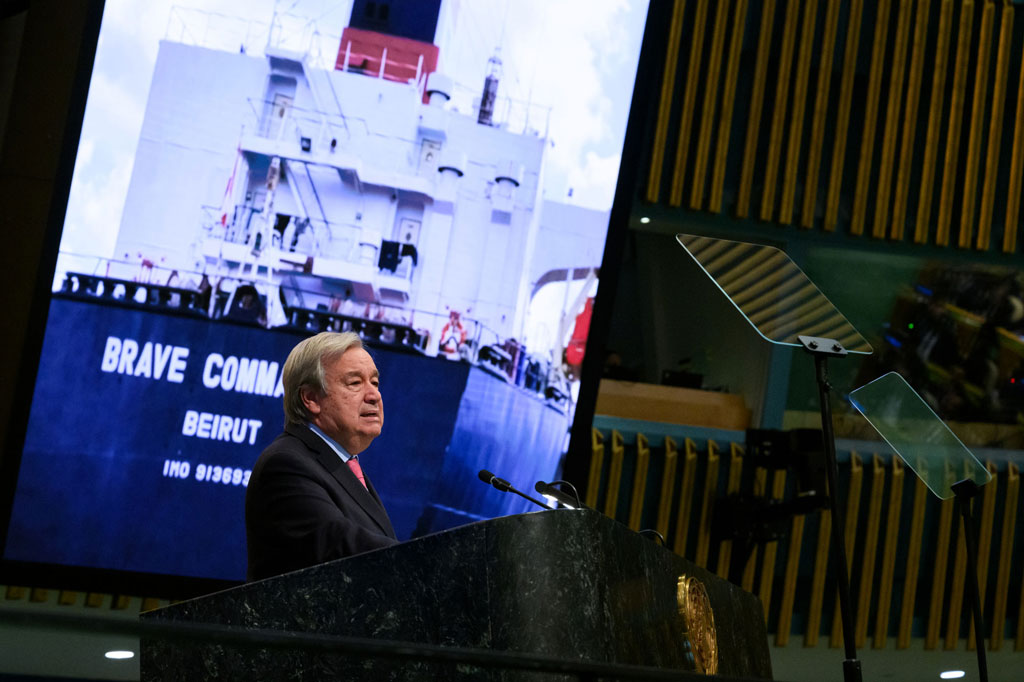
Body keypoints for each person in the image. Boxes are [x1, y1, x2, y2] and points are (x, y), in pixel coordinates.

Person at [246, 331, 398, 581]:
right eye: (355, 383)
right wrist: (435, 561)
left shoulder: (344, 464)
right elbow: (339, 544)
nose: (374, 395)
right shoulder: (286, 463)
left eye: (375, 382)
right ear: (311, 398)